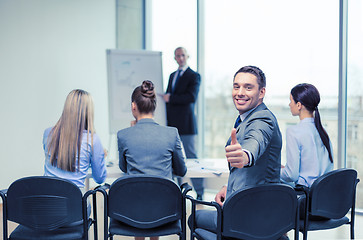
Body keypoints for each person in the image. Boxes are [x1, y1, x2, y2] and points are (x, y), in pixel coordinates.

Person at [190, 65, 282, 233]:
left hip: (251, 214)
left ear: (261, 92)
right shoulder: (246, 118)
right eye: (236, 86)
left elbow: (255, 141)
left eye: (248, 87)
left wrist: (245, 156)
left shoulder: (262, 118)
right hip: (251, 206)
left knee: (192, 217)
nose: (240, 92)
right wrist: (228, 188)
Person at [117, 80, 187, 240]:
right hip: (165, 209)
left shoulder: (123, 134)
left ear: (133, 106)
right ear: (155, 106)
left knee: (139, 204)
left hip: (133, 211)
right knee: (154, 203)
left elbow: (123, 167)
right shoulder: (172, 133)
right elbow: (181, 170)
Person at [162, 46, 204, 200]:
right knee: (175, 158)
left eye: (182, 55)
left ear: (188, 56)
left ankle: (200, 191)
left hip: (186, 124)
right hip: (172, 124)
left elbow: (191, 98)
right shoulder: (172, 75)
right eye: (177, 56)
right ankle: (180, 191)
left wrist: (170, 98)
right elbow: (168, 96)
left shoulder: (194, 76)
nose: (180, 58)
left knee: (192, 157)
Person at [43, 89, 107, 189]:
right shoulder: (92, 139)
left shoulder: (48, 133)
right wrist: (99, 156)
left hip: (47, 201)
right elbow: (99, 178)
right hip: (74, 203)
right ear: (88, 112)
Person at [281, 83, 334, 187]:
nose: (289, 104)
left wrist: (274, 171)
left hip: (305, 195)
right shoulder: (323, 131)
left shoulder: (293, 131)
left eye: (291, 101)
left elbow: (291, 175)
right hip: (323, 195)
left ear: (299, 105)